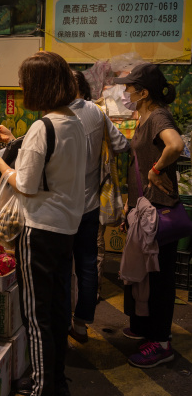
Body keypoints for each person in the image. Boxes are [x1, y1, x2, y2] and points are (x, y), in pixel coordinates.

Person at [0, 51, 86, 396]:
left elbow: (26, 183)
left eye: (24, 84)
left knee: (37, 319)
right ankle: (54, 382)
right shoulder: (75, 123)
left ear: (39, 86)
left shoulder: (43, 128)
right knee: (54, 313)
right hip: (67, 228)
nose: (20, 91)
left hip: (39, 231)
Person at [113, 63, 184, 368]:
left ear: (143, 92)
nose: (126, 92)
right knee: (146, 273)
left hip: (158, 209)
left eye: (130, 87)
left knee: (159, 277)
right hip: (144, 208)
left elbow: (176, 145)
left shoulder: (158, 116)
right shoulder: (145, 116)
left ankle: (162, 341)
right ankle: (144, 327)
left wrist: (156, 171)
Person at [67, 70, 130, 343]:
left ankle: (60, 325)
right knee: (87, 265)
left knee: (62, 268)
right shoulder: (97, 112)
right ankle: (80, 325)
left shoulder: (55, 117)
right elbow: (121, 143)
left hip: (60, 208)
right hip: (90, 204)